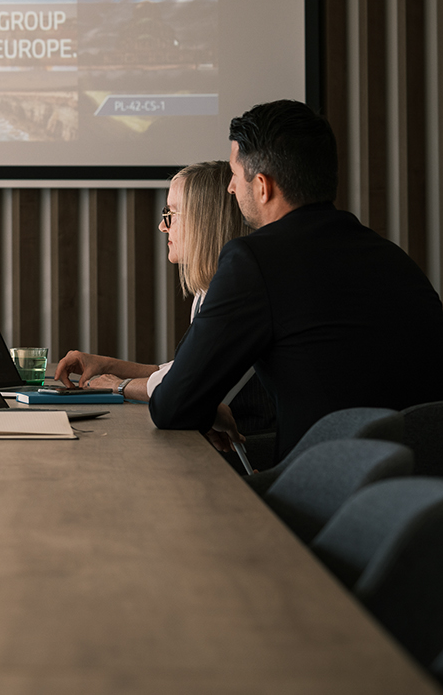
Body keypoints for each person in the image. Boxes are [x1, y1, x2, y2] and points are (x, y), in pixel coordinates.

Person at [148, 100, 443, 462]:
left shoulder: (252, 261)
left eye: (234, 176)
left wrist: (201, 406)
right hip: (411, 494)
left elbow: (173, 408)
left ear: (262, 187)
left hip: (316, 491)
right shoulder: (392, 257)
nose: (229, 189)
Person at [54, 160, 270, 453]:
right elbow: (178, 371)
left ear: (202, 221)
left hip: (253, 455)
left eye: (170, 214)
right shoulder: (209, 290)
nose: (162, 226)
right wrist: (105, 365)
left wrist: (117, 385)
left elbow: (182, 389)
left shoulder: (238, 295)